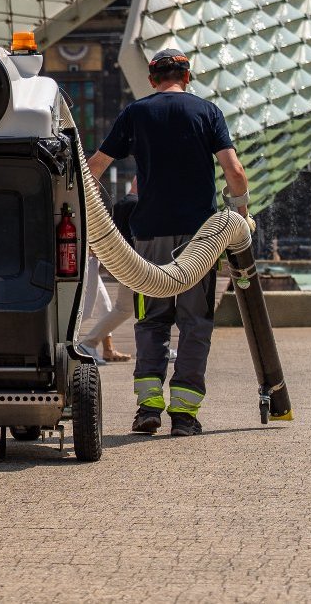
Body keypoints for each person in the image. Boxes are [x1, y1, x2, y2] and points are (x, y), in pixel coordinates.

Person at [86, 48, 249, 438]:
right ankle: (185, 414)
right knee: (195, 323)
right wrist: (239, 213)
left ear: (151, 78)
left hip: (149, 239)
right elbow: (234, 171)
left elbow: (92, 170)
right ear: (187, 77)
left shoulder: (135, 113)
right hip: (201, 239)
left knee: (151, 320)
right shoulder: (207, 112)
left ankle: (148, 408)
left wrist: (93, 219)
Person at [76, 180, 137, 365]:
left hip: (92, 259)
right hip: (86, 260)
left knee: (106, 307)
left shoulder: (94, 203)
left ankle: (106, 349)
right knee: (85, 312)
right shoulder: (81, 202)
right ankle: (80, 347)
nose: (96, 187)